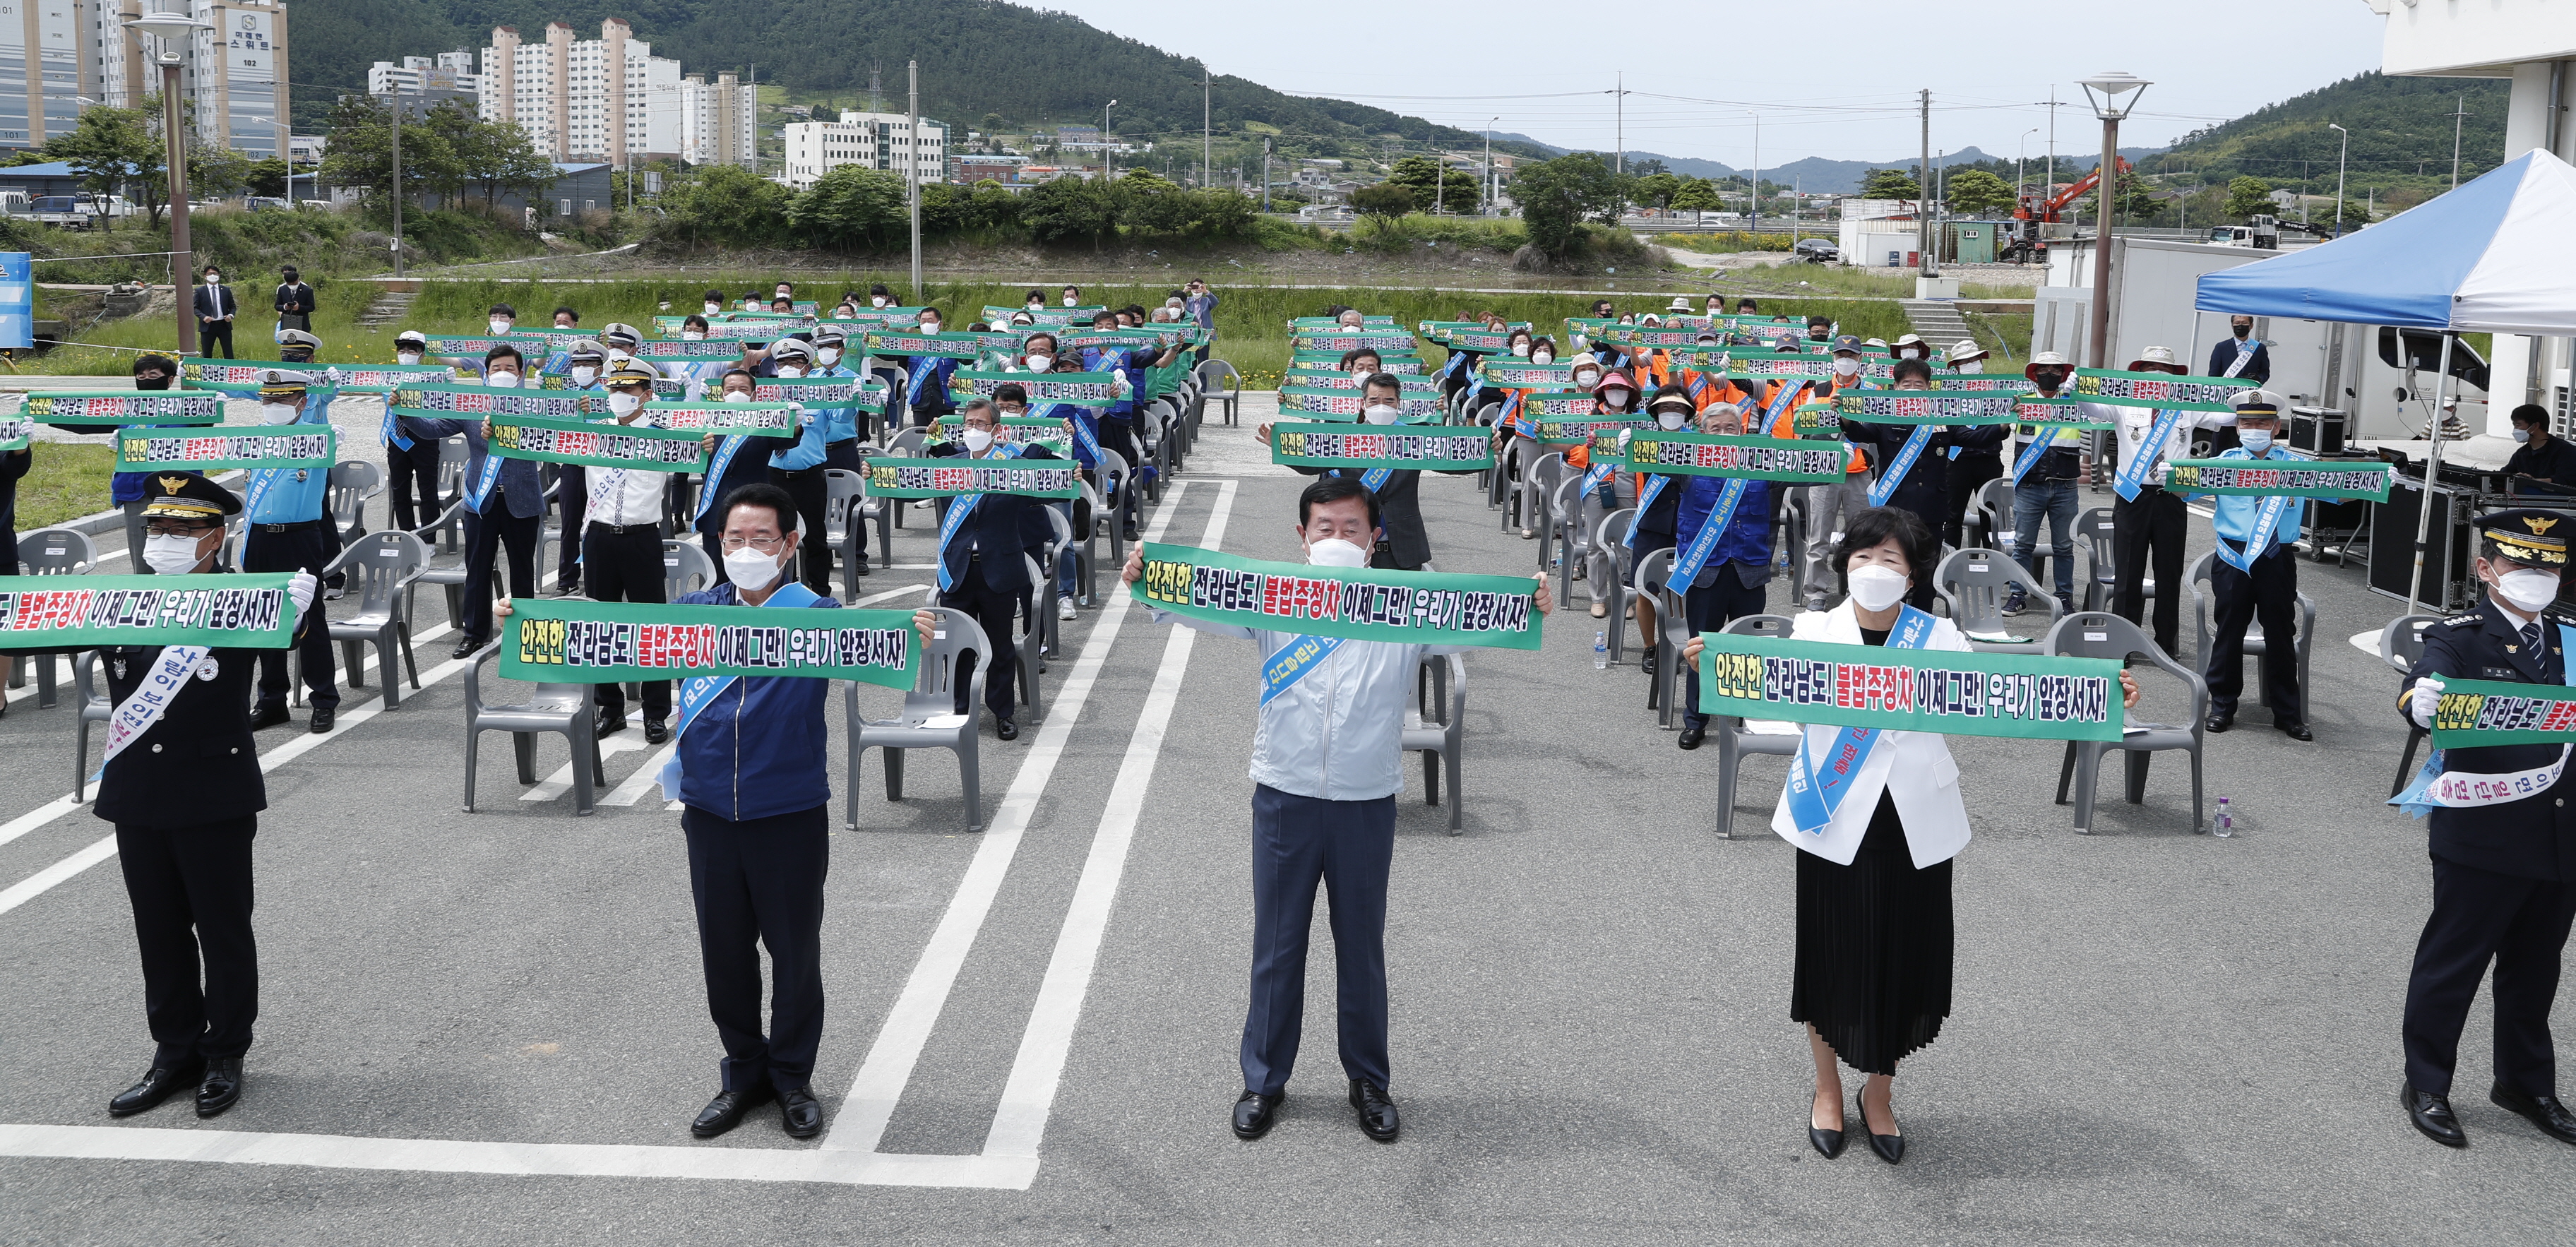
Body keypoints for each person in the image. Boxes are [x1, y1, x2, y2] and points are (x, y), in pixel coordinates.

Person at [1682, 506, 2130, 1164]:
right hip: (1835, 814)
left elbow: (2007, 695)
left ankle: (1880, 1093)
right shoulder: (1812, 630)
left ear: (1913, 575)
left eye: (1889, 559)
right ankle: (1827, 1089)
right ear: (1844, 567)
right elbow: (1773, 702)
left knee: (1901, 959)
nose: (1874, 569)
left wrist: (2102, 692)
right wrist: (1714, 667)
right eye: (1863, 557)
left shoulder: (1941, 637)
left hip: (1914, 819)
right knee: (1830, 957)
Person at [1120, 477, 1548, 1143]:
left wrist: (1532, 600)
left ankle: (1369, 1081)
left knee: (1361, 947)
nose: (1338, 539)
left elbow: (1486, 619)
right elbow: (1197, 601)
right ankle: (1263, 1080)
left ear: (1375, 539)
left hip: (1365, 799)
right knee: (1277, 945)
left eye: (1352, 528)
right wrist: (1148, 581)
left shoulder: (1407, 605)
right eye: (1326, 528)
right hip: (1285, 792)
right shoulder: (1272, 596)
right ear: (1303, 537)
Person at [99, 475, 316, 1121]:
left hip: (211, 791)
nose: (164, 540)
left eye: (183, 530)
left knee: (222, 930)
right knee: (158, 930)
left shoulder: (242, 601)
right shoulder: (123, 600)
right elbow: (40, 630)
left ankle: (225, 1051)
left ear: (216, 537)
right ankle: (175, 1051)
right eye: (157, 528)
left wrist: (298, 614)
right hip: (138, 790)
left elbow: (282, 636)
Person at [2395, 509, 2576, 1150]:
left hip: (2559, 834)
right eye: (2520, 563)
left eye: (2548, 566)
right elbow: (2423, 682)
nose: (2536, 576)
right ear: (2485, 569)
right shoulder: (2462, 636)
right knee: (2453, 964)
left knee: (2535, 970)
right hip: (2484, 831)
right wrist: (2418, 702)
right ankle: (2426, 1083)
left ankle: (2524, 1084)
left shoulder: (2570, 640)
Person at [926, 398, 1059, 741]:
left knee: (1000, 646)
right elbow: (904, 487)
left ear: (996, 430)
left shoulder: (1014, 467)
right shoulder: (948, 465)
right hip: (957, 569)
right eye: (969, 423)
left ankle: (1002, 711)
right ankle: (958, 708)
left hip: (999, 568)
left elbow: (1047, 490)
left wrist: (1068, 470)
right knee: (958, 645)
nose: (974, 429)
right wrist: (873, 475)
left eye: (981, 424)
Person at [407, 345, 547, 660]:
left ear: (521, 374)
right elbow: (433, 429)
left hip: (522, 499)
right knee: (478, 569)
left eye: (509, 368)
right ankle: (475, 634)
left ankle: (523, 636)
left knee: (522, 571)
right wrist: (404, 411)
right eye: (496, 368)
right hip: (481, 501)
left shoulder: (535, 406)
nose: (503, 373)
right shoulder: (472, 405)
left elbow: (554, 435)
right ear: (486, 373)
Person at [1657, 396, 1780, 751]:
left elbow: (1804, 474)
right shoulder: (1689, 463)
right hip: (1704, 570)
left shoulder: (1760, 462)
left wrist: (1834, 453)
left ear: (1742, 432)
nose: (1724, 434)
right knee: (1702, 646)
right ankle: (1696, 720)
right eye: (1716, 429)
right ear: (1702, 432)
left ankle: (1745, 716)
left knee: (1748, 649)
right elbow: (1657, 462)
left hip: (1748, 569)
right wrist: (1630, 445)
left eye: (1731, 428)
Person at [2193, 390, 2311, 739]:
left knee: (2280, 631)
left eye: (2262, 423)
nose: (2254, 428)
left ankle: (2287, 713)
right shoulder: (2223, 462)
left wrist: (2379, 478)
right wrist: (2170, 473)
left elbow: (2339, 491)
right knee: (2229, 630)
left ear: (2276, 427)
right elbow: (2183, 489)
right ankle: (2222, 706)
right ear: (2238, 427)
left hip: (2276, 556)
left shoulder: (2297, 466)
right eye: (2247, 423)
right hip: (2234, 556)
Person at [1840, 358, 2002, 609]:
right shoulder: (1885, 416)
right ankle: (1889, 619)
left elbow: (1975, 438)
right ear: (1896, 387)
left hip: (1931, 508)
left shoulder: (1942, 418)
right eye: (1907, 384)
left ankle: (1921, 618)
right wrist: (1846, 417)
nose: (1913, 389)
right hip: (1895, 507)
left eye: (1919, 384)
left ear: (1928, 387)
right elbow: (1861, 433)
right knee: (1892, 567)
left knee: (1926, 570)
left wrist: (2004, 423)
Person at [2104, 345, 2232, 657]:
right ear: (2139, 373)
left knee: (2169, 575)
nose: (2158, 375)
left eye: (2165, 370)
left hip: (2171, 498)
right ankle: (2124, 644)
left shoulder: (2186, 405)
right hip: (2133, 497)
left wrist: (2246, 396)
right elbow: (2093, 411)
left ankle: (2166, 645)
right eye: (2151, 369)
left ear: (2176, 376)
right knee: (2128, 575)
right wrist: (2077, 391)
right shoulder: (2125, 402)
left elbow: (2226, 417)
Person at [1259, 372, 1448, 572]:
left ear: (1398, 404)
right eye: (1374, 401)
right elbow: (1311, 464)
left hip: (1403, 547)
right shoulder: (1346, 439)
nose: (1381, 407)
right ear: (1363, 403)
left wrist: (1471, 441)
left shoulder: (1413, 439)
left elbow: (1454, 462)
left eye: (1389, 401)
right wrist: (1279, 446)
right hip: (1350, 547)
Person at [241, 368, 341, 733]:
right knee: (263, 618)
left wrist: (329, 437)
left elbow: (326, 449)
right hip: (259, 536)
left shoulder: (317, 438)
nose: (274, 404)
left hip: (298, 536)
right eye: (268, 399)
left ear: (302, 402)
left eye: (282, 398)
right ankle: (271, 700)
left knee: (310, 617)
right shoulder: (252, 439)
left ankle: (324, 699)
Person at [585, 362, 678, 742]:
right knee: (600, 626)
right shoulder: (591, 433)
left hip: (642, 539)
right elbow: (532, 439)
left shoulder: (666, 438)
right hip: (600, 537)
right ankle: (610, 708)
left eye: (629, 389)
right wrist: (495, 429)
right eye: (614, 389)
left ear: (646, 395)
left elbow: (703, 451)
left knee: (652, 626)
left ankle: (655, 712)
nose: (619, 396)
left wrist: (707, 443)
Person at [2000, 352, 2087, 616]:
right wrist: (2010, 415)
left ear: (2063, 375)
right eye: (2044, 369)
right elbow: (1999, 429)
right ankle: (2018, 595)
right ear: (2035, 374)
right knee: (2023, 545)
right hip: (2030, 485)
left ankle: (2064, 597)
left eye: (2056, 370)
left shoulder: (2075, 403)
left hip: (2065, 485)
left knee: (2064, 547)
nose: (2050, 374)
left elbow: (2099, 416)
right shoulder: (2021, 401)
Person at [1799, 335, 1876, 611]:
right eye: (1841, 355)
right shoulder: (1819, 389)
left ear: (1860, 359)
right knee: (1819, 535)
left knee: (1863, 537)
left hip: (1859, 472)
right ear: (1833, 358)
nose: (1845, 360)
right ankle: (1816, 592)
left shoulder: (1871, 390)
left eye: (1851, 355)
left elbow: (1876, 430)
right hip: (1825, 471)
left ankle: (1860, 591)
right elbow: (1806, 427)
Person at [762, 338, 836, 596]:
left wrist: (854, 399)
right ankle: (783, 588)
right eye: (783, 363)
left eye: (794, 363)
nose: (788, 368)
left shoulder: (819, 394)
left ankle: (820, 591)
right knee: (776, 535)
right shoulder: (767, 396)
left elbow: (841, 417)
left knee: (815, 537)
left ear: (806, 367)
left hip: (809, 477)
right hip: (775, 476)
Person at [693, 368, 776, 585]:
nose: (736, 393)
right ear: (722, 394)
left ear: (753, 395)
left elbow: (788, 441)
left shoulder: (764, 422)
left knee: (755, 579)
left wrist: (795, 425)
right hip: (715, 511)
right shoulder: (707, 421)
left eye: (743, 389)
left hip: (754, 511)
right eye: (730, 389)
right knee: (716, 578)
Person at [1936, 340, 2002, 551]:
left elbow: (2006, 426)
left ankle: (1993, 561)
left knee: (1991, 517)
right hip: (1958, 460)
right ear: (1956, 367)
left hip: (1990, 458)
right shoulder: (1947, 392)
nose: (1970, 364)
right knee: (1952, 516)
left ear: (1981, 361)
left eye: (1973, 359)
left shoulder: (1997, 388)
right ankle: (1951, 561)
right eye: (1964, 362)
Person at [2505, 404, 2576, 491]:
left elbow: (2567, 481)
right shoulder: (2521, 453)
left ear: (2535, 426)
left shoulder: (2565, 451)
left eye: (2518, 425)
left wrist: (2532, 482)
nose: (2515, 429)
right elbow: (2505, 474)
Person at [2207, 315, 2270, 383]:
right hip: (2227, 387)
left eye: (2244, 323)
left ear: (2251, 326)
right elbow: (2213, 374)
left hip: (2249, 388)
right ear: (2232, 326)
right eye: (2237, 323)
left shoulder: (2259, 348)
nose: (2240, 326)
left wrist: (2258, 379)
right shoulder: (2221, 347)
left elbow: (2265, 372)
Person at [193, 265, 236, 359]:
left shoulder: (226, 290)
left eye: (215, 273)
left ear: (219, 275)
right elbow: (195, 308)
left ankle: (229, 368)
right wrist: (204, 317)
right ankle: (207, 368)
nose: (212, 276)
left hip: (224, 325)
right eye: (210, 274)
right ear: (205, 276)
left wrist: (230, 316)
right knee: (207, 353)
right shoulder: (200, 291)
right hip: (208, 326)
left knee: (228, 352)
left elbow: (232, 306)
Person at [273, 266, 314, 335]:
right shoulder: (282, 289)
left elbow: (311, 307)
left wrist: (299, 308)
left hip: (302, 324)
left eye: (293, 283)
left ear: (298, 280)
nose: (292, 285)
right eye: (289, 284)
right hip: (286, 323)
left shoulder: (307, 290)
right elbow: (277, 305)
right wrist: (285, 307)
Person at [1183, 278, 1217, 363]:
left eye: (1198, 287)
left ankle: (1203, 372)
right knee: (1191, 359)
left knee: (1203, 358)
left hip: (1204, 333)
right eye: (1194, 287)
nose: (1196, 290)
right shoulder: (1187, 300)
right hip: (1191, 333)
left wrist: (1206, 291)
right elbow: (1176, 303)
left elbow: (1215, 302)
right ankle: (1191, 371)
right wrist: (1184, 292)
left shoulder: (1206, 301)